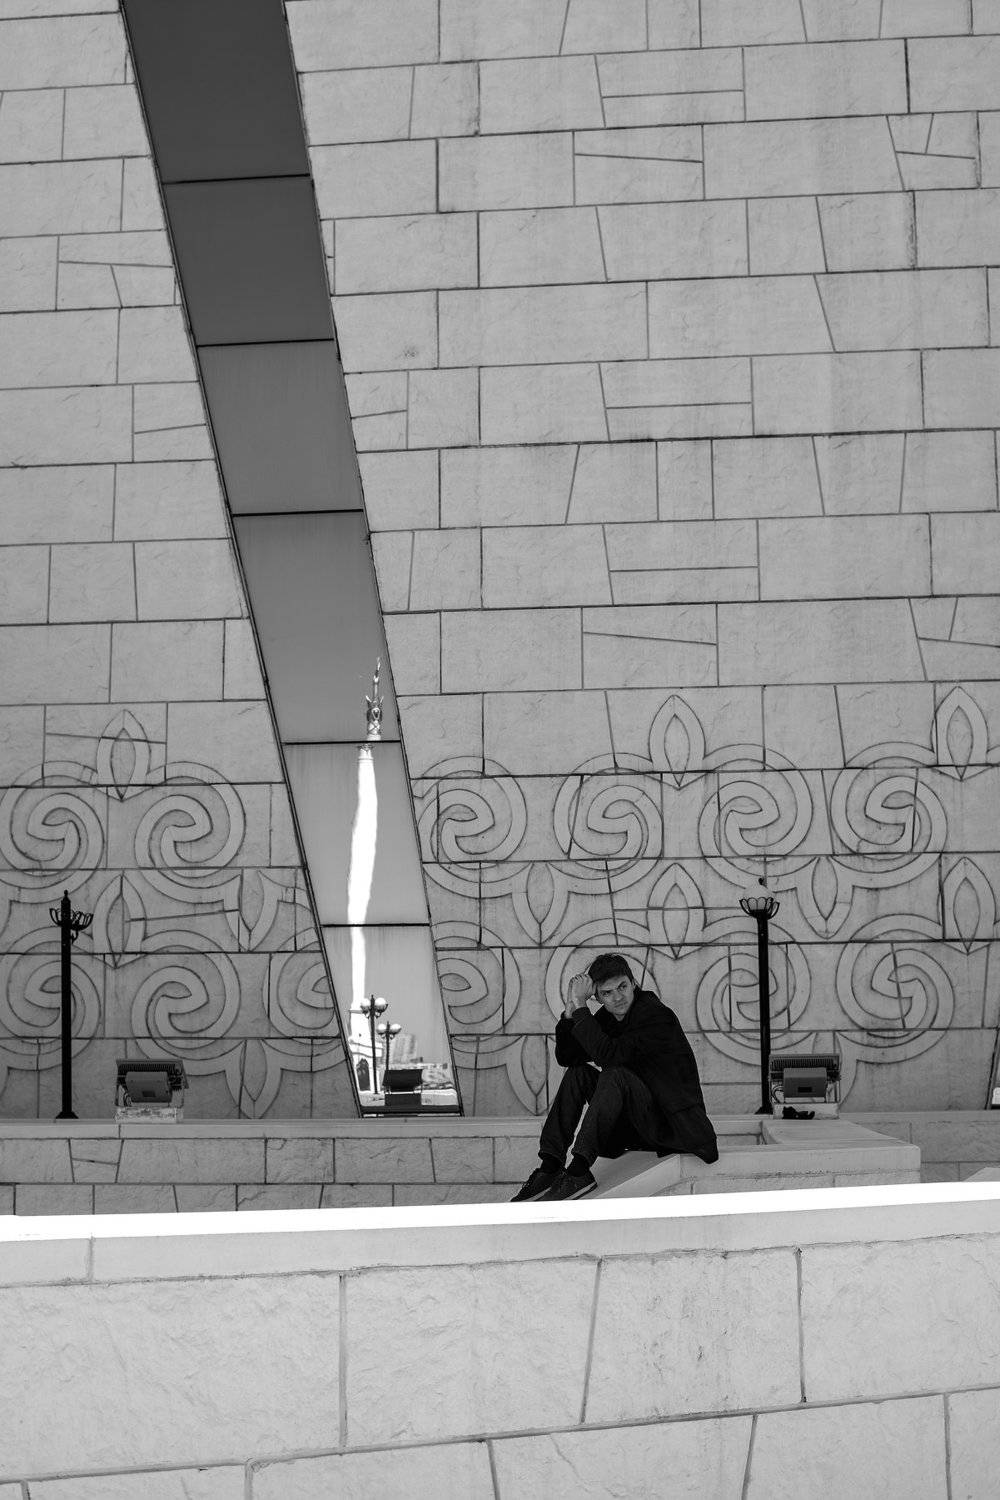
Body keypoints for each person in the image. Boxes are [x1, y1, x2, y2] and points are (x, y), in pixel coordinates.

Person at [512, 952, 719, 1203]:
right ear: (598, 998)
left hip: (670, 1128)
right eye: (607, 993)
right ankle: (550, 1165)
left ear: (634, 983)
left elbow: (610, 1055)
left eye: (622, 987)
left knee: (616, 1073)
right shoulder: (608, 1018)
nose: (618, 997)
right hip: (632, 1127)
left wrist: (582, 1008)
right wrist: (571, 1011)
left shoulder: (655, 1015)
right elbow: (568, 1057)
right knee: (579, 1073)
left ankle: (579, 1170)